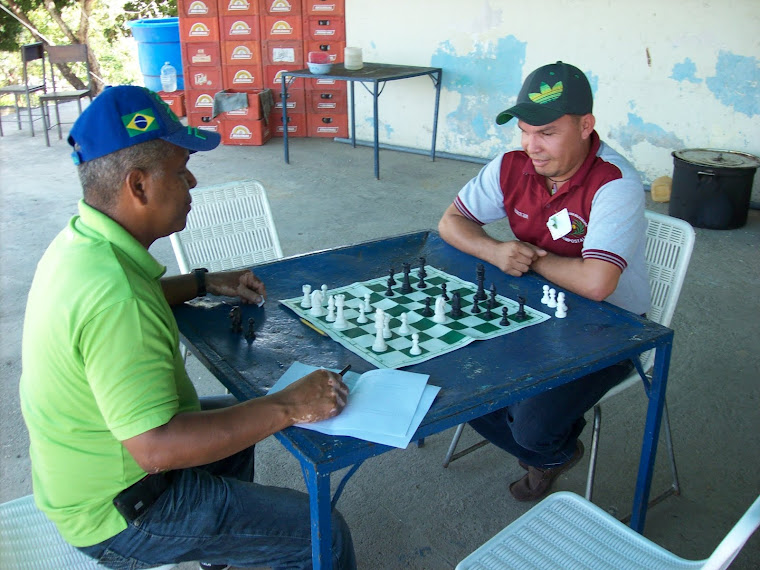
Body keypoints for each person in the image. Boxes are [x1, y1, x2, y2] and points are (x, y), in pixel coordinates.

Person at [19, 85, 356, 570]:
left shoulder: (83, 243)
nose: (193, 181)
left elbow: (134, 300)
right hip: (124, 510)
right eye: (180, 171)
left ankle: (233, 553)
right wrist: (287, 405)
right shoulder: (116, 298)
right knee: (323, 531)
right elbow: (156, 447)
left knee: (240, 423)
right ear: (138, 186)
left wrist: (202, 281)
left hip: (87, 473)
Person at [438, 61, 650, 502]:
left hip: (611, 328)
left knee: (532, 425)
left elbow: (596, 284)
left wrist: (530, 260)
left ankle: (549, 449)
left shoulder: (616, 183)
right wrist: (496, 250)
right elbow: (452, 222)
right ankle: (549, 451)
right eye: (525, 131)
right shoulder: (512, 165)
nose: (532, 146)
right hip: (531, 309)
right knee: (446, 376)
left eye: (548, 132)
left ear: (586, 126)